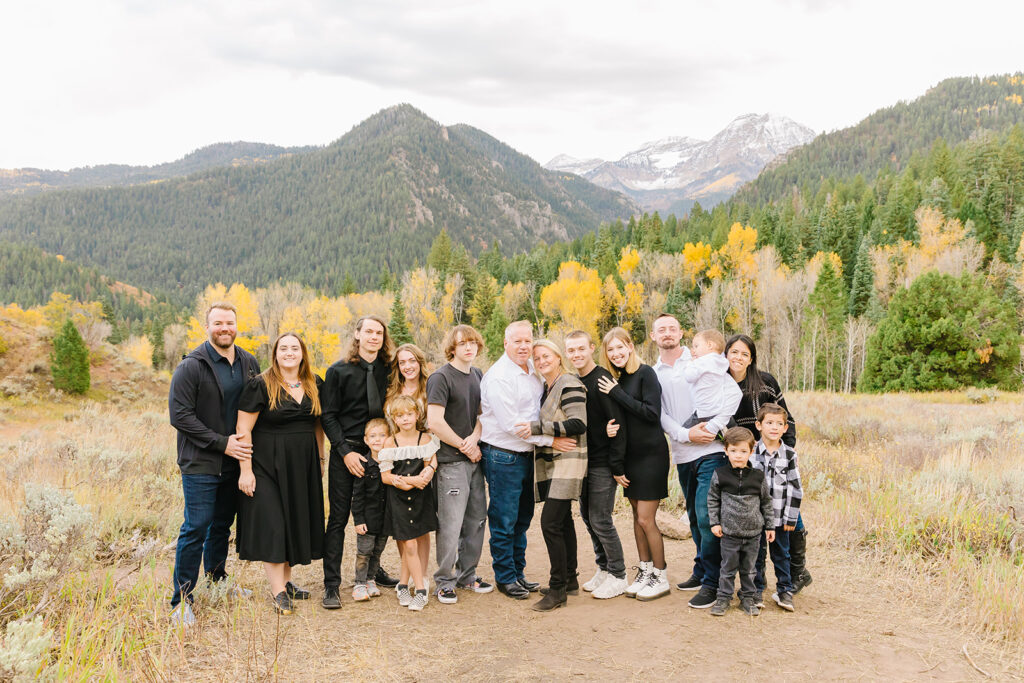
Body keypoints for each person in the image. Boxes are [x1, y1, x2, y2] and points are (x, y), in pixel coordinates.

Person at [168, 302, 260, 626]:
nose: (224, 328)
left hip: (234, 462)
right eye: (218, 323)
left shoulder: (248, 362)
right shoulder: (191, 366)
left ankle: (217, 580)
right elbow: (179, 416)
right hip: (201, 461)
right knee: (196, 526)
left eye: (229, 322)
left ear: (237, 325)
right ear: (207, 326)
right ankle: (181, 600)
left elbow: (255, 407)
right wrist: (222, 443)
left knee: (221, 526)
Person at [479, 320, 576, 600]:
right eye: (517, 341)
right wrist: (552, 440)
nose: (524, 346)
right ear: (505, 343)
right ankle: (505, 578)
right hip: (502, 456)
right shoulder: (499, 377)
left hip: (527, 456)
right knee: (504, 520)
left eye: (527, 341)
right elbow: (513, 425)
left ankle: (518, 573)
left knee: (522, 519)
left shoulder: (533, 370)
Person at [651, 314, 741, 608]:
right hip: (683, 451)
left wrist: (713, 428)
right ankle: (702, 569)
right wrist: (685, 434)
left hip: (711, 451)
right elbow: (660, 412)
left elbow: (731, 393)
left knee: (707, 516)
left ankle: (714, 583)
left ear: (680, 333)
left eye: (672, 328)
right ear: (653, 336)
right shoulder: (654, 373)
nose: (667, 333)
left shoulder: (705, 361)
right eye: (661, 329)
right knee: (693, 516)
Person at [235, 333, 325, 615]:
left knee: (292, 520)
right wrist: (245, 471)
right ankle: (278, 593)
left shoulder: (314, 383)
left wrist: (321, 458)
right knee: (274, 524)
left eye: (294, 348)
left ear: (303, 352)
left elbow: (318, 425)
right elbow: (243, 431)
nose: (289, 352)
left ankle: (286, 583)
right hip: (266, 464)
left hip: (302, 463)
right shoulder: (260, 385)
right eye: (283, 348)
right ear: (275, 354)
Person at [725, 334, 810, 593]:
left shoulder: (766, 382)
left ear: (751, 359)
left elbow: (786, 415)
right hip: (744, 457)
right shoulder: (719, 385)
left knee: (787, 510)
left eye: (745, 354)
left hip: (773, 452)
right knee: (754, 515)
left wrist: (788, 446)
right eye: (734, 352)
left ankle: (798, 572)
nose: (739, 358)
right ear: (725, 354)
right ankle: (753, 579)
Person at [321, 315, 396, 609]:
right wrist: (345, 452)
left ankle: (372, 571)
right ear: (357, 334)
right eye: (369, 332)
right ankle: (331, 585)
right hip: (347, 452)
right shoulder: (338, 371)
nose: (374, 337)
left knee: (379, 515)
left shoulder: (388, 371)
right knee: (339, 519)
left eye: (379, 332)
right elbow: (328, 415)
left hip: (380, 453)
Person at [513, 340, 587, 612]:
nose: (541, 361)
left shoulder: (569, 384)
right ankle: (569, 580)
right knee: (564, 521)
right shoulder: (548, 387)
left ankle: (557, 591)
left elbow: (578, 423)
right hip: (555, 461)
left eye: (546, 356)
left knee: (550, 523)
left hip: (569, 461)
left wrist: (536, 427)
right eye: (537, 357)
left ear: (558, 357)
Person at [597, 327, 671, 601]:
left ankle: (660, 576)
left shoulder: (646, 374)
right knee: (635, 519)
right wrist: (609, 430)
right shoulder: (619, 379)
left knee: (645, 518)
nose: (615, 353)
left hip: (652, 455)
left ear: (630, 346)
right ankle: (645, 570)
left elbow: (651, 414)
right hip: (631, 457)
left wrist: (617, 393)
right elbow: (623, 418)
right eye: (610, 350)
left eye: (620, 347)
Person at [427, 325, 492, 606]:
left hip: (474, 459)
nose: (469, 347)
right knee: (451, 524)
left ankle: (468, 575)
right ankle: (444, 581)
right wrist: (462, 445)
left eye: (473, 343)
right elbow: (435, 422)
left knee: (477, 519)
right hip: (451, 463)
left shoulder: (477, 375)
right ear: (452, 348)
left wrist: (475, 440)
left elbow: (482, 415)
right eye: (462, 343)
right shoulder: (441, 377)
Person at [564, 330, 628, 599]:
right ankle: (603, 568)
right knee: (589, 519)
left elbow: (617, 423)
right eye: (571, 350)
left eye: (581, 348)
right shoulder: (575, 380)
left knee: (601, 519)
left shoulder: (602, 378)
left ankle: (619, 574)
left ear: (591, 348)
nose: (577, 354)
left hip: (602, 462)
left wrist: (617, 466)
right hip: (583, 462)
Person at [379, 395, 439, 612]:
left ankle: (403, 584)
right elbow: (385, 476)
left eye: (409, 414)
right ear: (394, 419)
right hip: (399, 498)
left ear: (417, 415)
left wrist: (427, 472)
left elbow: (430, 461)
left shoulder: (425, 439)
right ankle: (421, 590)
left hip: (421, 497)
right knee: (409, 543)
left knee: (414, 541)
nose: (405, 419)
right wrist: (405, 481)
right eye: (400, 416)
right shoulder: (390, 442)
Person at [707, 427, 773, 617]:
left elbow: (766, 502)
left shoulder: (758, 477)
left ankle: (747, 598)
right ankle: (723, 598)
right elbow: (713, 500)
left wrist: (770, 526)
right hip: (729, 533)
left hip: (753, 534)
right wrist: (715, 523)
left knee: (750, 569)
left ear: (751, 452)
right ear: (726, 450)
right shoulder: (720, 474)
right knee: (727, 568)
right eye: (733, 451)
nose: (738, 456)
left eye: (743, 451)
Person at [750, 403, 803, 612]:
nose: (774, 427)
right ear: (759, 425)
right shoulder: (751, 452)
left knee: (782, 554)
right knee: (756, 554)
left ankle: (785, 591)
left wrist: (791, 518)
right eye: (769, 423)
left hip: (780, 517)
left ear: (785, 428)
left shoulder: (789, 455)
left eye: (779, 424)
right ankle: (756, 590)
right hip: (756, 518)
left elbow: (796, 489)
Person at [350, 418, 390, 602]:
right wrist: (358, 520)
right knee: (364, 552)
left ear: (389, 438)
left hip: (384, 519)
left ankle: (370, 580)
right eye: (373, 436)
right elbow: (357, 496)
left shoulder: (391, 464)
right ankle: (359, 583)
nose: (377, 439)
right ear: (365, 440)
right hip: (367, 519)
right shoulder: (363, 464)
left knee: (377, 551)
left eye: (382, 435)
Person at [682, 329, 742, 438]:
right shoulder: (721, 363)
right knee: (733, 438)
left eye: (696, 346)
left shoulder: (702, 362)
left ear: (709, 345)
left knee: (683, 434)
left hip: (703, 412)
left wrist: (690, 363)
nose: (693, 350)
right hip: (717, 411)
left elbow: (689, 376)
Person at [386, 343, 429, 428]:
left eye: (412, 361)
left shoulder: (430, 390)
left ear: (420, 362)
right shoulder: (391, 391)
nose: (407, 366)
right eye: (402, 363)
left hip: (422, 439)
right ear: (398, 366)